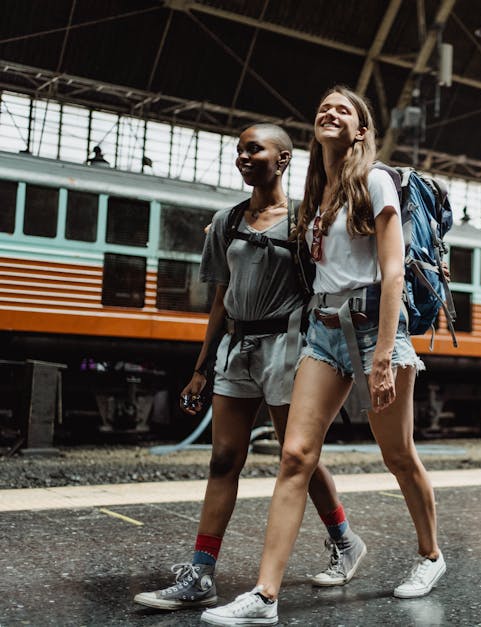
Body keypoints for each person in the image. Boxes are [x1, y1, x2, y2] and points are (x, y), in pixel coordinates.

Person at [202, 87, 444, 626]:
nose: (329, 112)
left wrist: (383, 353)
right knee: (295, 456)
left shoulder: (374, 181)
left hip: (373, 328)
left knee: (398, 454)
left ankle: (430, 555)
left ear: (360, 130)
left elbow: (393, 270)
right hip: (323, 331)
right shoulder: (319, 191)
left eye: (344, 110)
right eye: (323, 108)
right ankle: (265, 596)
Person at [134, 123, 366, 612]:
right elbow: (220, 298)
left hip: (288, 345)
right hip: (237, 349)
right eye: (239, 149)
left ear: (282, 160)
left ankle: (344, 540)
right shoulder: (226, 221)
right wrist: (201, 366)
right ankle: (200, 574)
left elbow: (340, 269)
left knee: (295, 455)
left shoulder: (306, 220)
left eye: (254, 149)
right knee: (223, 459)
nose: (242, 156)